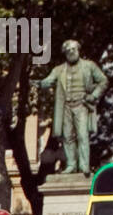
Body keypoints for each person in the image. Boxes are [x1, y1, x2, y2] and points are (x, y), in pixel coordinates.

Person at [37, 39, 108, 177]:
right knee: (67, 137)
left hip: (82, 104)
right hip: (66, 107)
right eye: (68, 50)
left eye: (73, 49)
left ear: (78, 50)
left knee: (82, 135)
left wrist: (94, 95)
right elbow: (48, 80)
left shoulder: (89, 66)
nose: (71, 52)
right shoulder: (59, 70)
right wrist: (39, 83)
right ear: (64, 53)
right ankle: (71, 164)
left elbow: (103, 81)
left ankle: (84, 165)